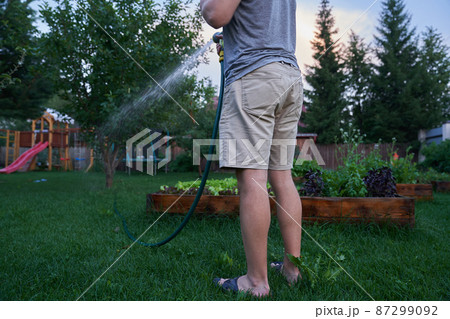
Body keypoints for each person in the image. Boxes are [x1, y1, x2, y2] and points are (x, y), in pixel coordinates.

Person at [200, 0, 303, 297]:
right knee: (282, 178)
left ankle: (256, 282)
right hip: (288, 75)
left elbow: (216, 14)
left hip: (254, 76)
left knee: (252, 179)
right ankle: (292, 269)